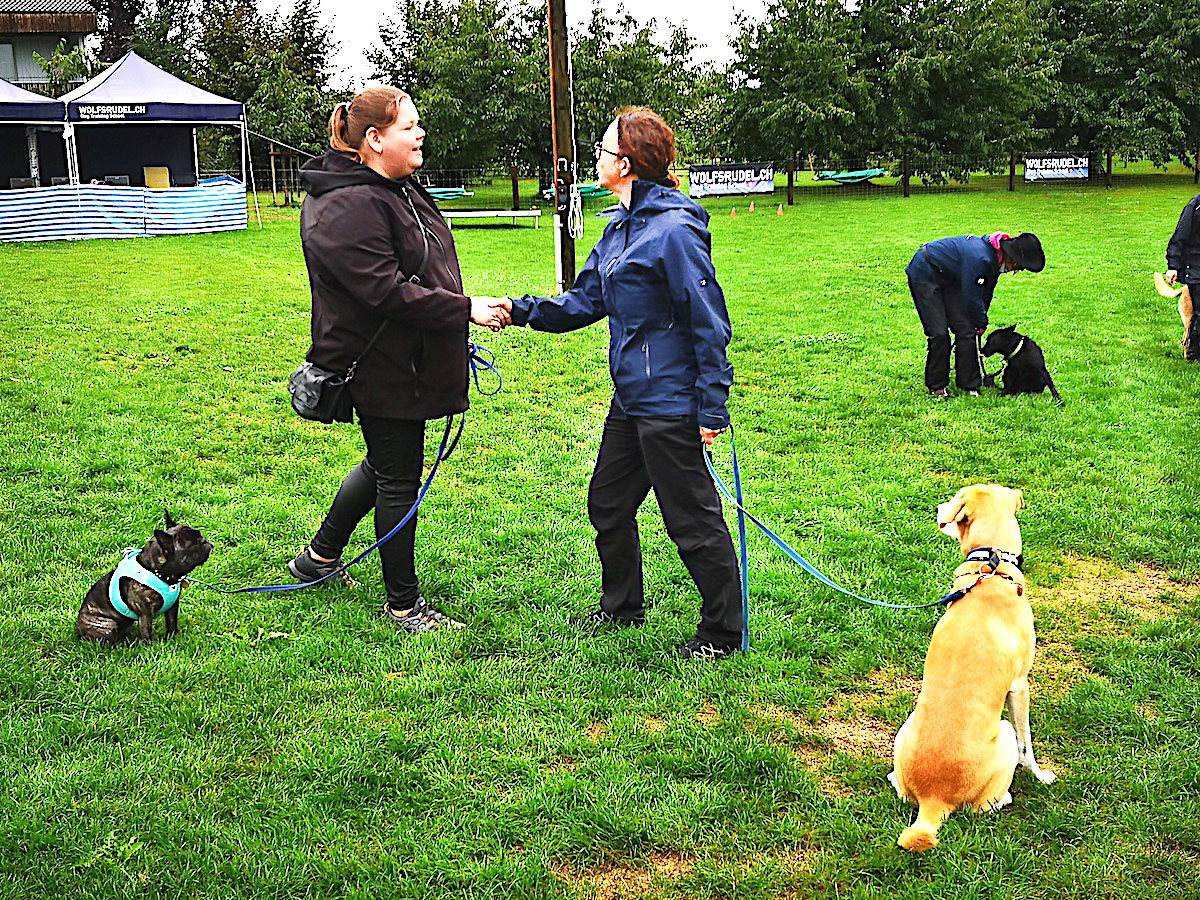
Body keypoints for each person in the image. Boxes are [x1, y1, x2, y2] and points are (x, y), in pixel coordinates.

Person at [500, 107, 744, 661]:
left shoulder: (675, 232)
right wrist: (518, 310)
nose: (597, 158)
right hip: (631, 398)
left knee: (691, 519)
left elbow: (709, 321)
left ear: (627, 164)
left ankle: (723, 634)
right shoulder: (618, 227)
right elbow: (585, 301)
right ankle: (621, 607)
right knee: (608, 503)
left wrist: (711, 407)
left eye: (604, 150)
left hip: (671, 403)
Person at [290, 86, 511, 632]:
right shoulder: (346, 205)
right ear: (374, 138)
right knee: (397, 478)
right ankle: (403, 607)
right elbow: (385, 292)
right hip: (378, 363)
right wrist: (464, 310)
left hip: (409, 356)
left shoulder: (398, 187)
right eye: (409, 126)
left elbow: (424, 265)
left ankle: (316, 560)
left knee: (386, 466)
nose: (420, 133)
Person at [906, 232, 1045, 397]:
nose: (1017, 270)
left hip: (949, 276)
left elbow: (985, 291)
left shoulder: (995, 260)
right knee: (939, 333)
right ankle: (937, 386)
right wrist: (980, 320)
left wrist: (979, 322)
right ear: (1012, 258)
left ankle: (968, 384)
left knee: (966, 329)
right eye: (1019, 266)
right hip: (925, 272)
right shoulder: (982, 259)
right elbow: (971, 297)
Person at [1165, 193, 1200, 361]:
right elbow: (1179, 236)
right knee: (1198, 314)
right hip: (1195, 267)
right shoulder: (1195, 206)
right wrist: (1173, 266)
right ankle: (1192, 354)